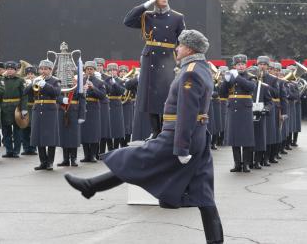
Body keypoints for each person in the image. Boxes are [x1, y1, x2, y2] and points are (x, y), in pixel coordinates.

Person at [64, 30, 223, 244]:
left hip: (179, 134)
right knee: (203, 191)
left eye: (180, 45)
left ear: (190, 49)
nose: (176, 48)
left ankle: (91, 186)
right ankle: (216, 241)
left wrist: (182, 147)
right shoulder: (199, 68)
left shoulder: (190, 73)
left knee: (135, 159)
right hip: (197, 135)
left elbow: (186, 112)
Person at [124, 0, 186, 139]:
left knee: (167, 95)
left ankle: (167, 129)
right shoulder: (147, 16)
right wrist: (145, 6)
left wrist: (181, 61)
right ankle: (155, 130)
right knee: (150, 95)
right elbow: (128, 20)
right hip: (150, 58)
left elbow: (183, 41)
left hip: (167, 59)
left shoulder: (177, 17)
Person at [220, 54, 256, 173]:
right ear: (234, 66)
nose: (241, 66)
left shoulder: (250, 76)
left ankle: (246, 164)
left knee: (246, 137)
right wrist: (225, 81)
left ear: (246, 65)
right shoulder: (231, 76)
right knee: (234, 138)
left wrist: (238, 77)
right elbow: (223, 94)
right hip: (233, 109)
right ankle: (237, 164)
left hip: (245, 109)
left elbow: (251, 87)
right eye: (238, 64)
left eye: (242, 64)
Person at [26, 60, 61, 170]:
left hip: (50, 110)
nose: (43, 71)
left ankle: (50, 162)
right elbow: (25, 92)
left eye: (46, 69)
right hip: (37, 109)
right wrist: (32, 83)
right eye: (41, 69)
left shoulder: (55, 80)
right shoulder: (36, 79)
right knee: (38, 136)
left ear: (50, 70)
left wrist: (45, 85)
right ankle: (43, 162)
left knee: (50, 137)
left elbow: (56, 92)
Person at [57, 76, 86, 167]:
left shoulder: (79, 90)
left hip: (74, 114)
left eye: (76, 81)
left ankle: (73, 159)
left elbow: (82, 102)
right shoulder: (64, 87)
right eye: (73, 80)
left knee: (74, 138)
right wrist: (62, 100)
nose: (74, 82)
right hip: (63, 113)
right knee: (64, 137)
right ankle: (65, 159)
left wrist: (82, 116)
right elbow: (57, 96)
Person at [80, 61, 106, 162]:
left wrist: (93, 87)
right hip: (83, 108)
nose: (89, 71)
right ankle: (86, 156)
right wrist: (82, 90)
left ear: (94, 70)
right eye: (87, 69)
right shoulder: (81, 80)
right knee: (84, 132)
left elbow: (102, 96)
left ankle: (93, 155)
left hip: (94, 108)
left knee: (94, 132)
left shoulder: (99, 82)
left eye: (91, 69)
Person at [1, 61, 28, 158]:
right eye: (8, 69)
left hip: (16, 107)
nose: (9, 71)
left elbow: (24, 96)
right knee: (6, 131)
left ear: (16, 70)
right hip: (4, 107)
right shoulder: (1, 80)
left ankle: (16, 151)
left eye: (12, 69)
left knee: (17, 130)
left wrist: (24, 109)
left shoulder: (20, 80)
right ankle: (9, 150)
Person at [21, 66, 38, 155]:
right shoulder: (23, 82)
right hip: (26, 106)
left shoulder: (38, 82)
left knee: (33, 129)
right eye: (28, 74)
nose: (30, 76)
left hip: (35, 106)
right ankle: (26, 148)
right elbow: (23, 94)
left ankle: (33, 148)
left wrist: (33, 83)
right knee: (25, 128)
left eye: (32, 74)